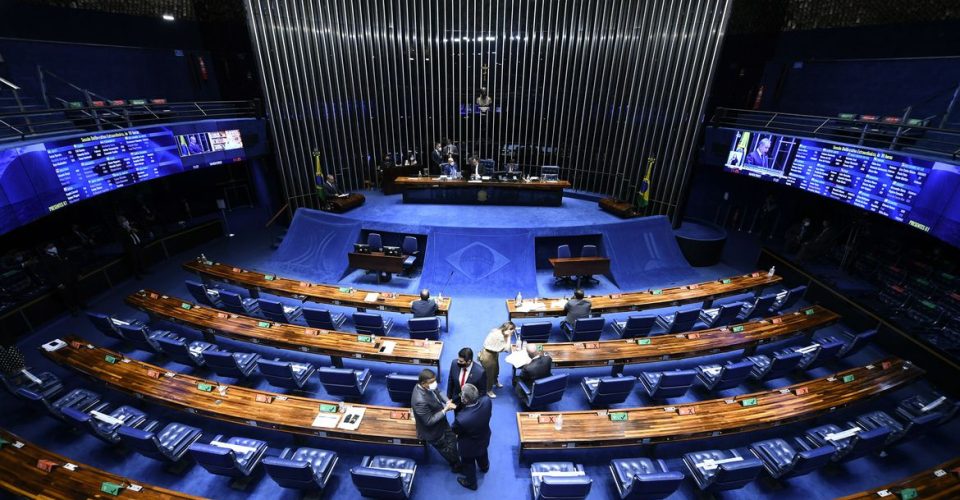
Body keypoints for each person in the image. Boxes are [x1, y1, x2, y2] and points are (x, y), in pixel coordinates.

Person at [411, 369, 462, 472]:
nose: (435, 383)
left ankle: (455, 452)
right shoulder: (419, 400)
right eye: (432, 382)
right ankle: (455, 464)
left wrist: (447, 401)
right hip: (433, 432)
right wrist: (445, 410)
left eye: (435, 380)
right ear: (423, 383)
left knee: (451, 438)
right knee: (445, 449)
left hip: (441, 422)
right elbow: (429, 421)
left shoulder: (428, 386)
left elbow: (438, 392)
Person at [452, 384, 492, 490]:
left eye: (461, 394)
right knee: (483, 453)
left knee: (468, 463)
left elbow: (455, 430)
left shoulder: (461, 418)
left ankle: (471, 483)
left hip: (469, 447)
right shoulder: (487, 401)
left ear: (464, 400)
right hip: (484, 437)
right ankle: (484, 467)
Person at [38, 242, 84, 315]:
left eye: (53, 246)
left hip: (72, 276)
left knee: (77, 291)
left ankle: (82, 304)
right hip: (61, 281)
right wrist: (58, 283)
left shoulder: (62, 252)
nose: (53, 248)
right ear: (46, 249)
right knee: (67, 296)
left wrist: (78, 273)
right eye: (50, 247)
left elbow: (71, 263)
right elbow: (49, 274)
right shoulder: (45, 260)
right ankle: (73, 310)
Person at [477, 321, 516, 398]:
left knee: (496, 370)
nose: (513, 332)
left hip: (494, 354)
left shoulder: (499, 331)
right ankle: (489, 390)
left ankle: (495, 381)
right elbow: (507, 349)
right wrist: (509, 337)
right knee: (489, 375)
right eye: (512, 330)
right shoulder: (499, 336)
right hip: (488, 356)